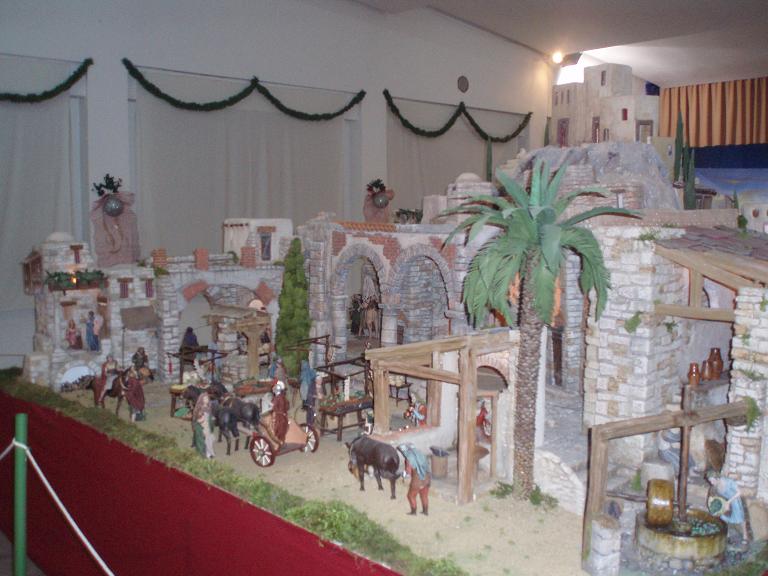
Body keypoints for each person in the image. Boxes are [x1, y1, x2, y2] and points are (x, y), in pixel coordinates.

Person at [707, 472, 748, 543]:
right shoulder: (715, 486)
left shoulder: (729, 482)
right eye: (710, 481)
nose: (711, 483)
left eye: (712, 480)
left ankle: (745, 536)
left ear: (717, 479)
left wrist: (729, 502)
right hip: (725, 501)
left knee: (740, 518)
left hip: (734, 501)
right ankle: (727, 535)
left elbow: (739, 492)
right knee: (724, 518)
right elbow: (714, 495)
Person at [399, 443, 431, 516]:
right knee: (424, 495)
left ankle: (413, 512)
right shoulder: (420, 454)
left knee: (411, 496)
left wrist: (403, 474)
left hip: (417, 480)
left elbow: (408, 472)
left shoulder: (409, 458)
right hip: (427, 477)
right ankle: (425, 511)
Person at [192, 392, 215, 459]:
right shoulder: (198, 408)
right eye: (204, 399)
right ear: (201, 399)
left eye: (207, 398)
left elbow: (210, 416)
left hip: (207, 426)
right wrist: (199, 421)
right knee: (201, 441)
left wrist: (211, 418)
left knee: (208, 441)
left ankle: (208, 453)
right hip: (201, 427)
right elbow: (195, 419)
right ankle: (202, 454)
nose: (206, 400)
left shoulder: (208, 408)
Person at [299, 359, 318, 426]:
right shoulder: (309, 370)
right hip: (307, 385)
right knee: (306, 396)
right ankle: (307, 406)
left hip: (305, 386)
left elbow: (301, 378)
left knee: (305, 396)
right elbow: (314, 375)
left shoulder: (304, 372)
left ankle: (306, 406)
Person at [272, 380, 289, 446]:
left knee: (278, 428)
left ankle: (279, 442)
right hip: (284, 415)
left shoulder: (277, 398)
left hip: (279, 416)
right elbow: (287, 406)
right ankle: (282, 440)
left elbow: (273, 407)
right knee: (283, 428)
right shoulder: (283, 397)